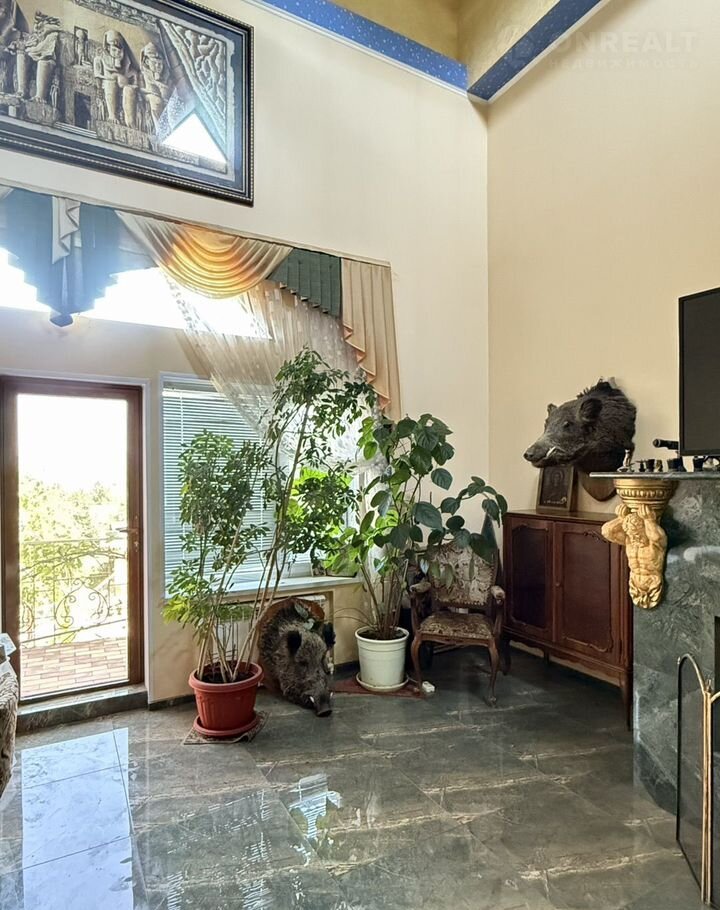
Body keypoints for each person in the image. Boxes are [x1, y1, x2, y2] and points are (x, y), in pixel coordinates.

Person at [603, 503, 666, 608]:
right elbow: (607, 532)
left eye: (637, 534)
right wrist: (621, 518)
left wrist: (649, 520)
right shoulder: (630, 542)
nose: (635, 538)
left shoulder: (654, 545)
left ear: (646, 530)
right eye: (631, 534)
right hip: (635, 586)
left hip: (653, 585)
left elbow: (658, 538)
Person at [94, 30, 139, 128]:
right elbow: (97, 76)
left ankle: (130, 122)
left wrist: (131, 79)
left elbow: (130, 73)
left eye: (119, 51)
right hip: (107, 83)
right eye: (114, 50)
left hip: (121, 84)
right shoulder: (99, 59)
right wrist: (114, 76)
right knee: (110, 83)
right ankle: (112, 115)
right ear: (107, 48)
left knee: (129, 90)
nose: (117, 54)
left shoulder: (125, 61)